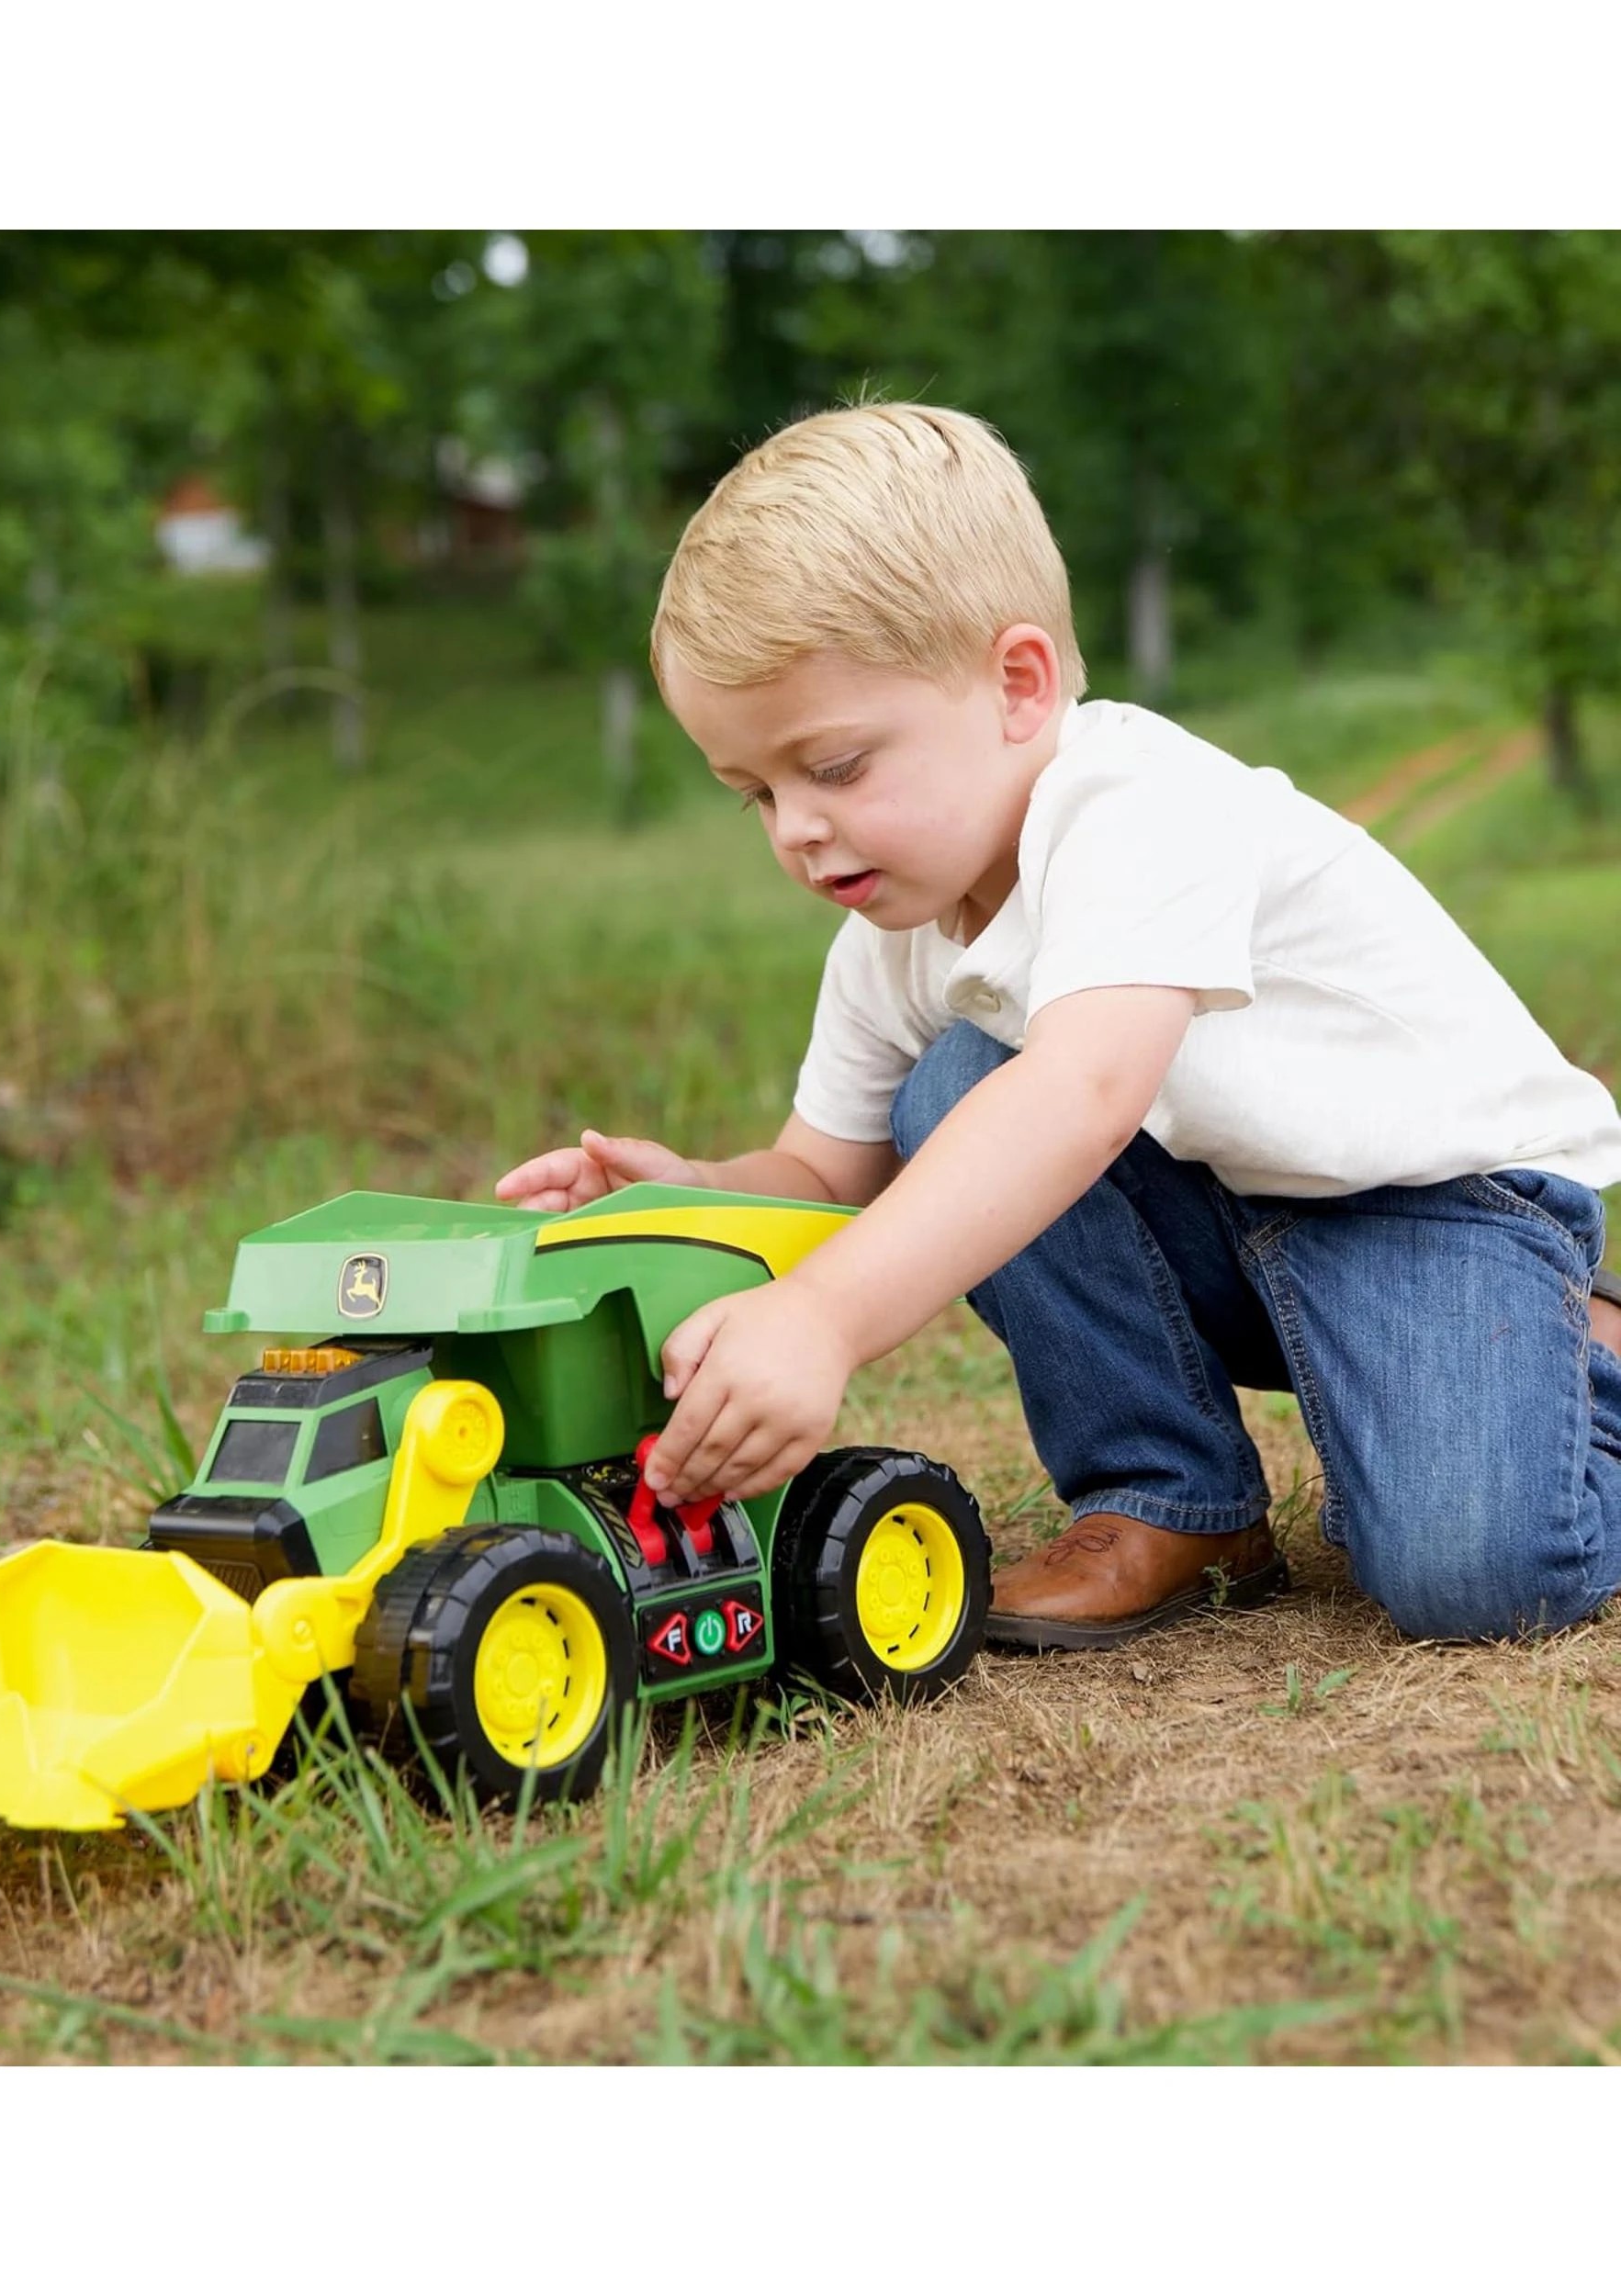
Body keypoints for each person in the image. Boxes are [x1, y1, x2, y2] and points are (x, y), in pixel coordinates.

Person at [496, 402, 1621, 1650]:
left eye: (838, 767)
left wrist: (820, 1320)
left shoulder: (1140, 808)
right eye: (755, 792)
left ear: (1019, 684)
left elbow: (1083, 1094)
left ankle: (1579, 1355)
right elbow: (825, 1174)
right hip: (1234, 1219)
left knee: (1475, 1572)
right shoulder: (894, 938)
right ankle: (1169, 1499)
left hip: (1435, 1205)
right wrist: (698, 1192)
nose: (795, 830)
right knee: (946, 1092)